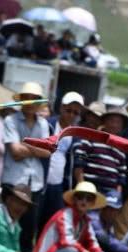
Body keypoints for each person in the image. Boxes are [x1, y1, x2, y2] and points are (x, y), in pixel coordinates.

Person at [1, 82, 51, 252]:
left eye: (34, 99)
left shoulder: (43, 124)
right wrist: (37, 148)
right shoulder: (10, 120)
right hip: (14, 179)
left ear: (38, 102)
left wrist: (24, 145)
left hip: (34, 181)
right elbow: (14, 152)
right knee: (7, 224)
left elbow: (47, 152)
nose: (29, 102)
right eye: (26, 98)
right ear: (21, 100)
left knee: (29, 228)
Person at [33, 181, 106, 252]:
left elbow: (93, 242)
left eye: (88, 198)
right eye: (80, 197)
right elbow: (67, 241)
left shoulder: (85, 220)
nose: (84, 201)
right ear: (74, 199)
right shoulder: (65, 214)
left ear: (92, 203)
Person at [41, 91, 84, 229]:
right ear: (61, 108)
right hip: (40, 182)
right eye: (68, 110)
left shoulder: (76, 135)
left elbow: (78, 163)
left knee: (52, 225)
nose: (71, 115)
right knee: (34, 222)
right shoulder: (47, 125)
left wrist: (81, 186)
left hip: (59, 186)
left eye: (76, 113)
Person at [73, 107, 128, 196]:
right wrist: (81, 185)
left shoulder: (121, 149)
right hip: (89, 188)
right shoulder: (90, 138)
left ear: (122, 127)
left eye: (118, 122)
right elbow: (79, 162)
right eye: (111, 120)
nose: (114, 125)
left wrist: (117, 194)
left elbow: (121, 175)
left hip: (111, 193)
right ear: (104, 122)